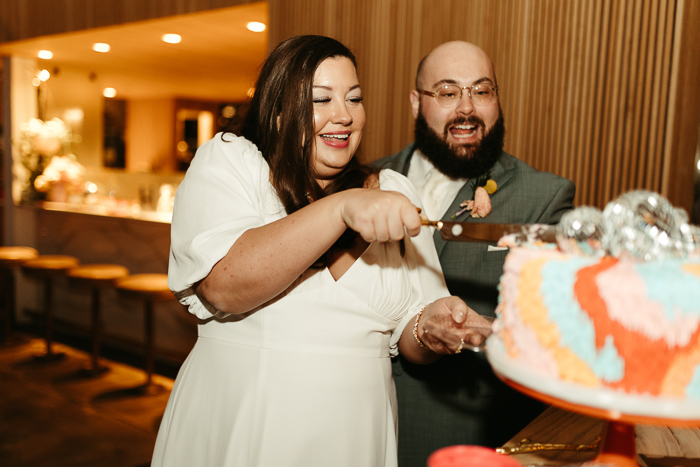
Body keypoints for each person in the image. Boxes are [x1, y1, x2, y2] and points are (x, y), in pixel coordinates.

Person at [151, 35, 490, 467]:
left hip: (354, 435)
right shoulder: (232, 164)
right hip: (246, 419)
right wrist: (341, 209)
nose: (344, 115)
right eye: (321, 99)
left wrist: (434, 328)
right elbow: (224, 287)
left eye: (354, 98)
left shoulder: (390, 191)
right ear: (277, 113)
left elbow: (411, 331)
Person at [375, 41, 576, 466]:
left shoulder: (542, 196)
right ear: (416, 102)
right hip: (355, 423)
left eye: (482, 91)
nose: (467, 108)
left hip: (459, 432)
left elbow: (560, 322)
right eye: (448, 92)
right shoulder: (365, 180)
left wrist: (495, 332)